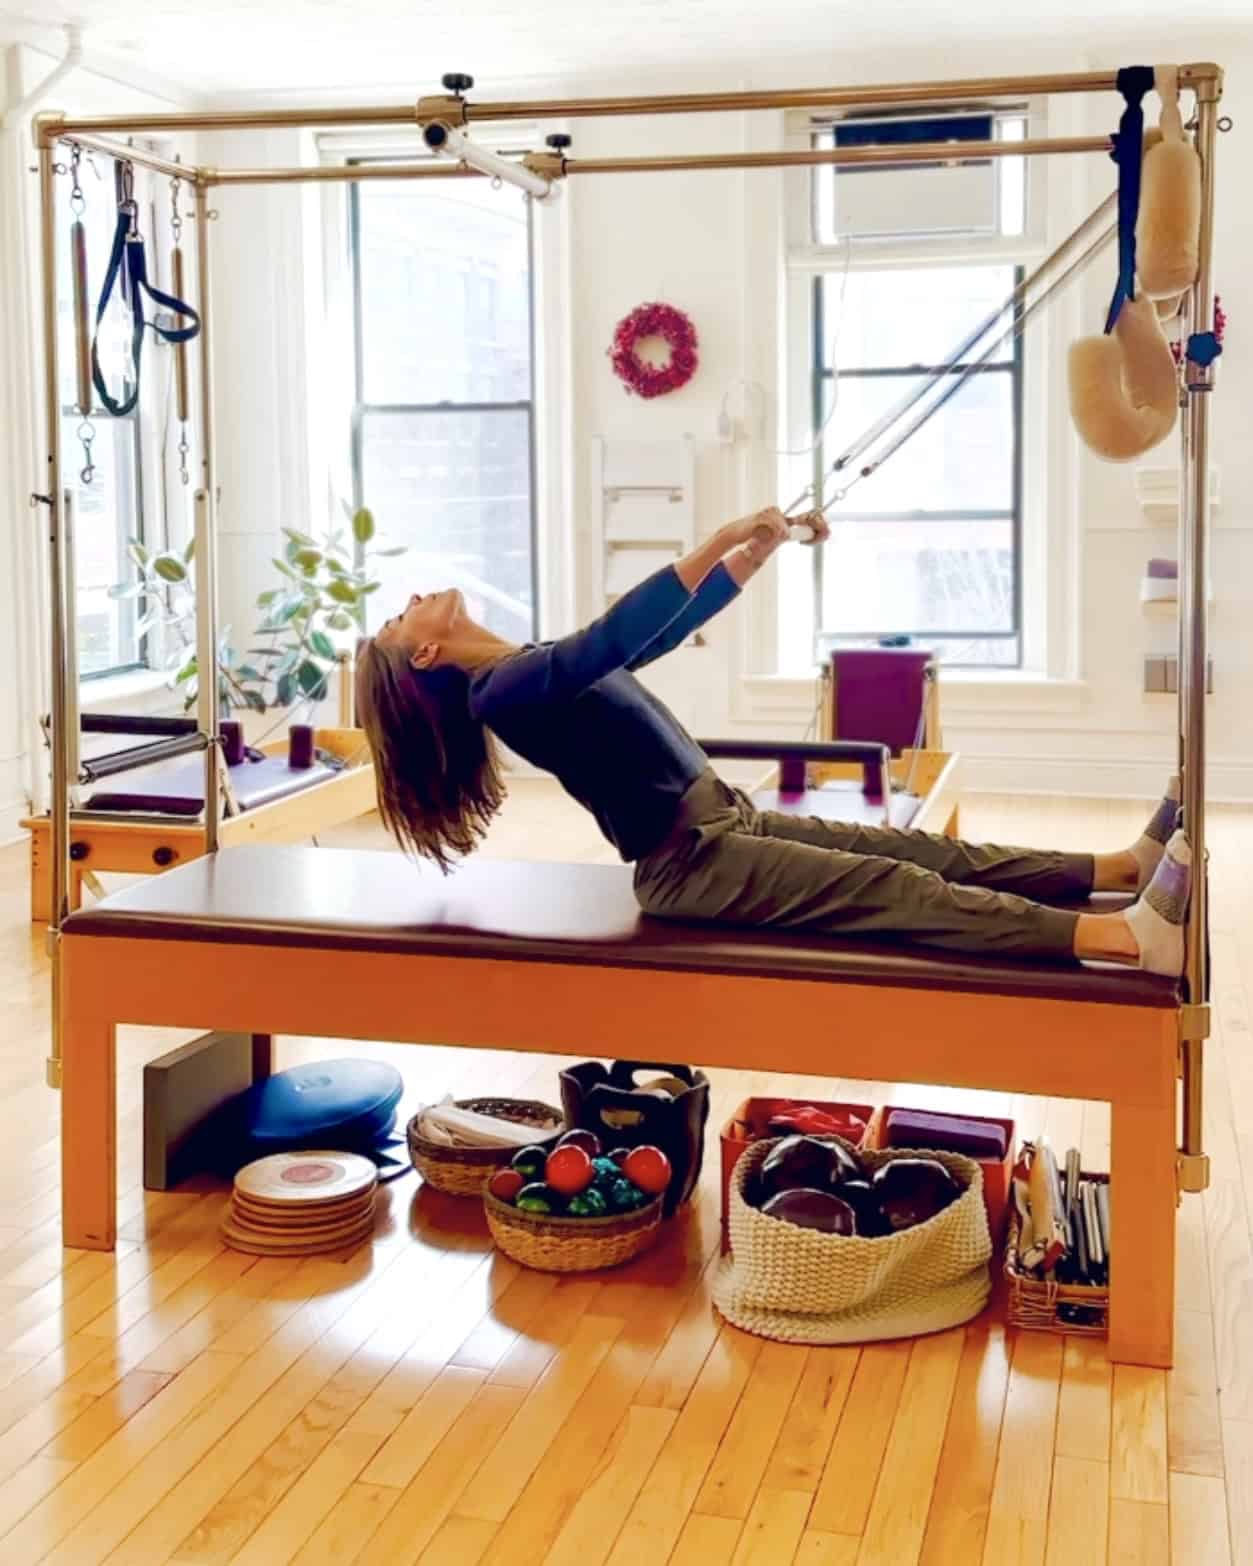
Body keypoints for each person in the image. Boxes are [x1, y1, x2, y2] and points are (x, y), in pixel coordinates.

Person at [355, 507, 1190, 976]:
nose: (416, 595)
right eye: (402, 616)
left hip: (725, 825)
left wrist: (748, 559)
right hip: (691, 865)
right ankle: (1118, 938)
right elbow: (613, 636)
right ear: (424, 653)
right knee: (890, 884)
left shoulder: (525, 667)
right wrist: (714, 540)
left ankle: (1116, 871)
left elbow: (650, 639)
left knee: (912, 850)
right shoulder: (500, 690)